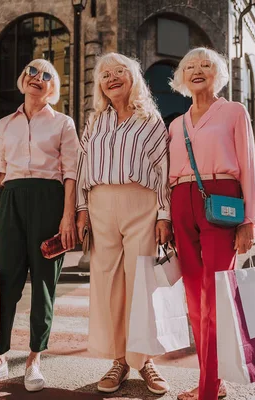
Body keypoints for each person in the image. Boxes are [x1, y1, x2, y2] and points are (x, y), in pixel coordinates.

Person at [0, 59, 79, 392]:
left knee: (44, 284)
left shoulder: (64, 123)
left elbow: (71, 173)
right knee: (7, 284)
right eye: (33, 71)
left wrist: (67, 215)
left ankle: (34, 358)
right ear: (22, 80)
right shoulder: (5, 124)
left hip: (49, 199)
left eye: (47, 75)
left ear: (53, 88)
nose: (38, 77)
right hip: (12, 200)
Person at [75, 52, 172, 395]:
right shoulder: (94, 121)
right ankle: (119, 359)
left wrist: (164, 214)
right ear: (100, 84)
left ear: (133, 79)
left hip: (141, 203)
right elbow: (82, 167)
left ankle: (144, 359)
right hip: (100, 205)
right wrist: (82, 209)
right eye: (105, 74)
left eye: (120, 72)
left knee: (141, 283)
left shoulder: (151, 120)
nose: (112, 78)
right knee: (107, 286)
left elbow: (163, 170)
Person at [168, 47, 255, 400]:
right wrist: (165, 219)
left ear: (218, 73)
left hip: (222, 202)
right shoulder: (176, 124)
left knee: (215, 298)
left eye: (206, 65)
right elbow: (166, 175)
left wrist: (249, 220)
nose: (197, 70)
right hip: (181, 202)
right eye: (189, 66)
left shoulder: (234, 112)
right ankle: (210, 380)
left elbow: (248, 166)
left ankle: (208, 389)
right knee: (193, 299)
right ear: (181, 77)